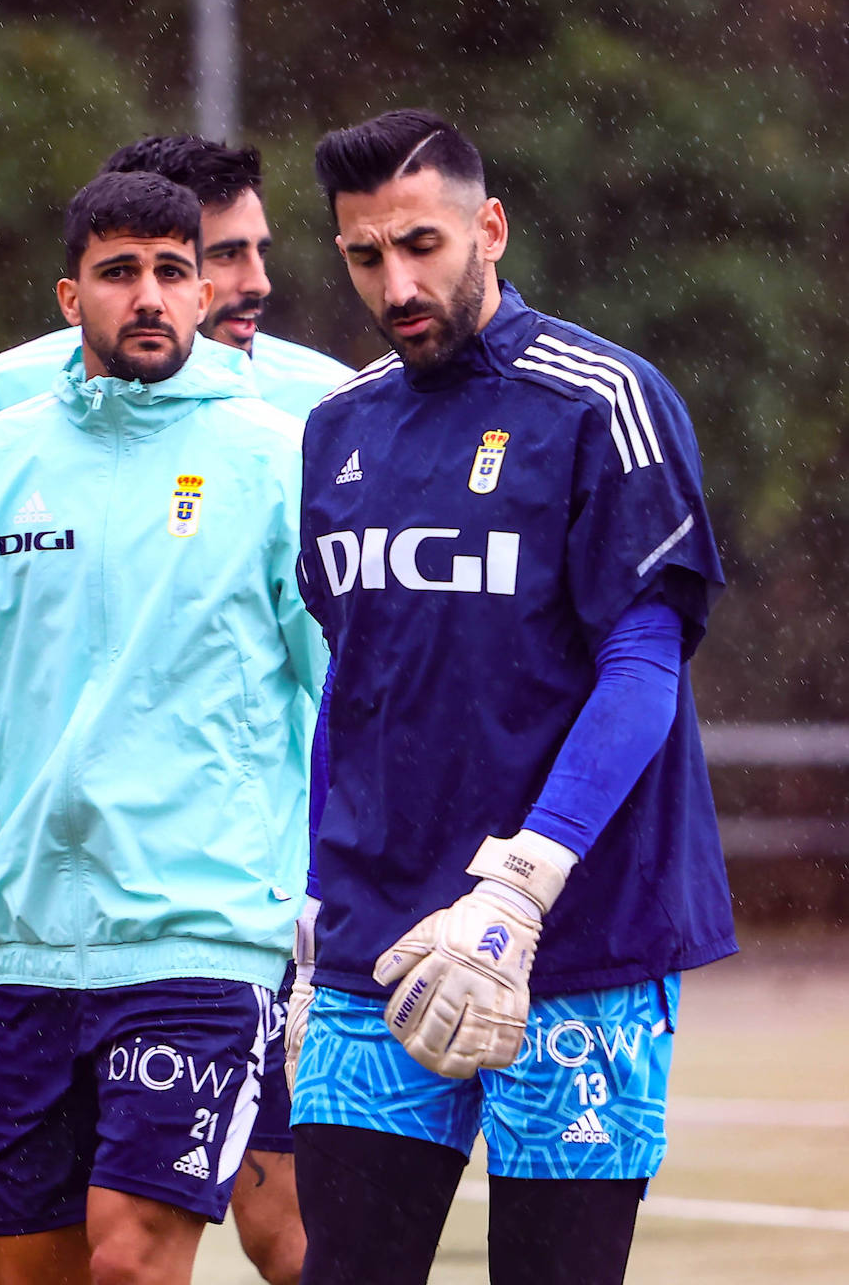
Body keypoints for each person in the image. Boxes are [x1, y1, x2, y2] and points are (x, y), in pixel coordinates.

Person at [0, 134, 353, 1285]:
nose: (150, 295)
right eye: (121, 272)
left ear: (203, 291)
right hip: (34, 951)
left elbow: (347, 687)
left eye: (174, 269)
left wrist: (349, 902)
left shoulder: (278, 453)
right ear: (73, 296)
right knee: (37, 1274)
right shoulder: (1, 456)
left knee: (136, 1258)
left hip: (209, 933)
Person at [287, 109, 736, 1285]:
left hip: (576, 940)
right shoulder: (337, 431)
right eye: (365, 256)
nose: (397, 282)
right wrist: (311, 899)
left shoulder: (602, 402)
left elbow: (645, 664)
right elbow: (356, 682)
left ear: (489, 226)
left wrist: (526, 883)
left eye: (423, 244)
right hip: (375, 950)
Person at [0, 135, 353, 435]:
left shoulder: (330, 398)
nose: (259, 283)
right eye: (227, 254)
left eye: (259, 252)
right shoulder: (11, 389)